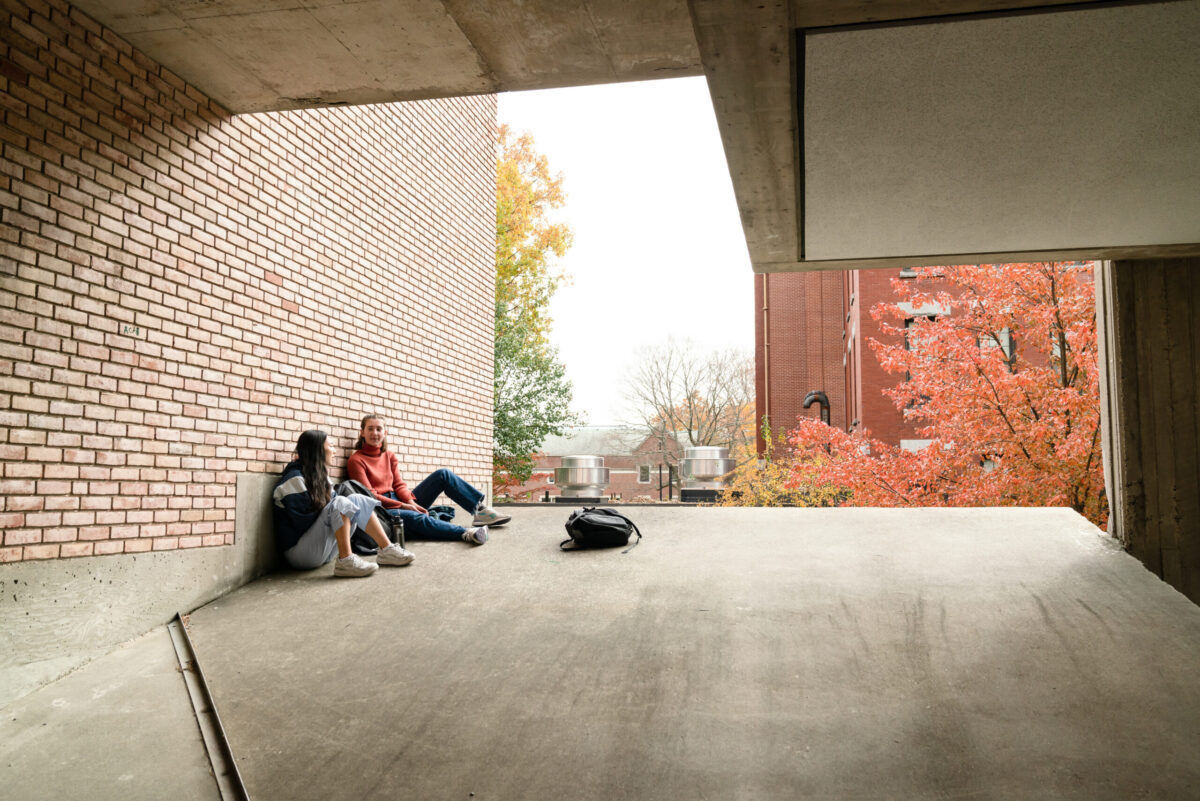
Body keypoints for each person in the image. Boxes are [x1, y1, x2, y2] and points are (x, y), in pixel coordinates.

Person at [346, 414, 511, 546]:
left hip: (400, 499)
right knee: (418, 518)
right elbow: (370, 497)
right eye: (370, 429)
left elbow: (399, 485)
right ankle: (466, 533)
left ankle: (479, 510)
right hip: (381, 510)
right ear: (362, 432)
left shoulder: (389, 456)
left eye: (378, 429)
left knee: (443, 474)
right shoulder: (356, 460)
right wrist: (406, 506)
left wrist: (412, 502)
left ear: (385, 433)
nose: (375, 433)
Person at [274, 429, 416, 577]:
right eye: (331, 446)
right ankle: (345, 561)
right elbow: (303, 524)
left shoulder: (320, 476)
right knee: (340, 502)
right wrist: (333, 511)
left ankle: (387, 549)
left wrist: (334, 511)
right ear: (317, 450)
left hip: (323, 550)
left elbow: (329, 512)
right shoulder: (295, 480)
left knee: (356, 499)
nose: (334, 451)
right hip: (300, 555)